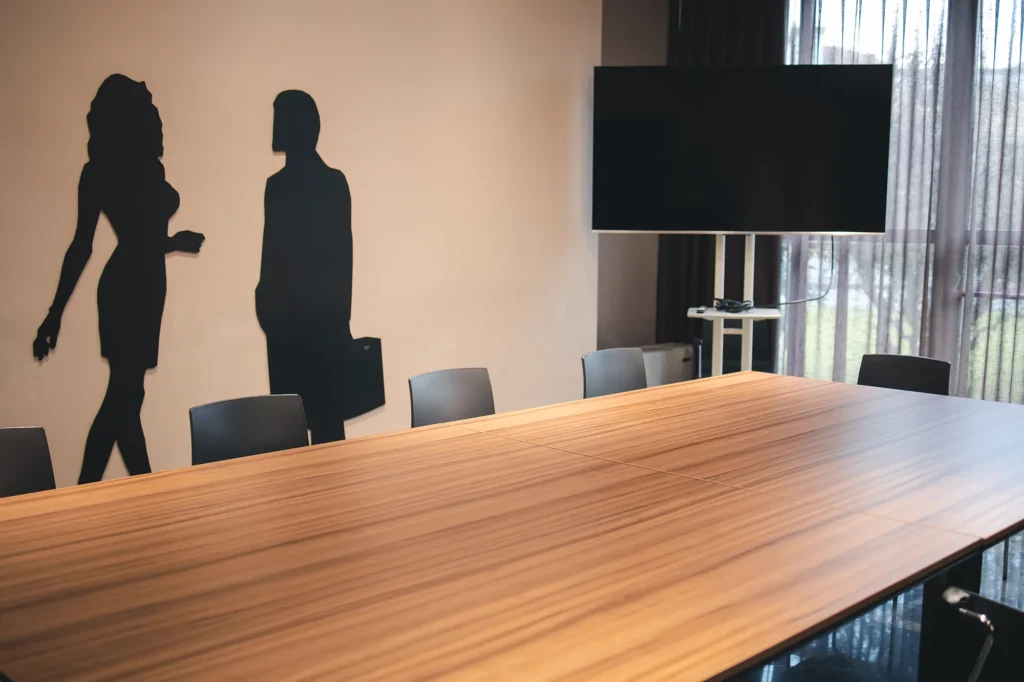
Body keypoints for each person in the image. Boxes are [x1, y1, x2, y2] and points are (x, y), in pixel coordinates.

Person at [33, 74, 204, 484]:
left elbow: (133, 238)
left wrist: (171, 242)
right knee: (124, 399)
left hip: (140, 283)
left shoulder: (114, 169)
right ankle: (128, 490)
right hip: (131, 286)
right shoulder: (112, 172)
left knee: (127, 398)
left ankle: (124, 491)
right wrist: (54, 313)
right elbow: (82, 247)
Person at [256, 90, 353, 444]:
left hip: (296, 329)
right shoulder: (320, 182)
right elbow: (341, 262)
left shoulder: (286, 187)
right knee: (314, 430)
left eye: (279, 118)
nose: (274, 127)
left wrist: (266, 306)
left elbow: (338, 259)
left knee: (302, 432)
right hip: (308, 327)